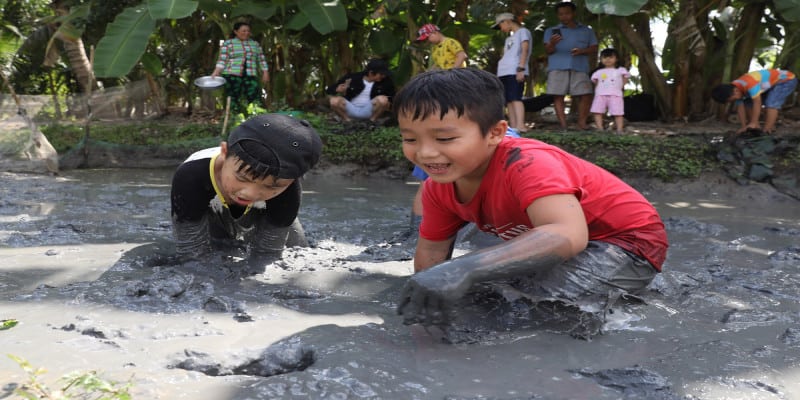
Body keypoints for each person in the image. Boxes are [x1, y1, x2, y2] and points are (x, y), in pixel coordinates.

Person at [393, 68, 668, 335]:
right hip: (557, 242)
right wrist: (423, 299)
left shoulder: (527, 163)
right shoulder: (437, 187)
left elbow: (567, 233)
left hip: (627, 241)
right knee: (475, 299)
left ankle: (627, 296)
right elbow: (431, 254)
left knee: (522, 314)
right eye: (410, 139)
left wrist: (465, 267)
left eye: (445, 138)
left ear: (495, 133)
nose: (426, 152)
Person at [170, 113, 322, 267]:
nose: (250, 193)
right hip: (210, 211)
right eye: (242, 178)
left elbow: (268, 255)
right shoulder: (191, 177)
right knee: (207, 255)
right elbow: (191, 254)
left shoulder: (289, 189)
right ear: (224, 152)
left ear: (293, 180)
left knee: (298, 255)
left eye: (272, 186)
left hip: (266, 211)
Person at [544, 2, 598, 131]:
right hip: (557, 66)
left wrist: (582, 51)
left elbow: (594, 47)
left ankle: (582, 123)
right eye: (561, 14)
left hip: (579, 66)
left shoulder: (587, 31)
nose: (564, 17)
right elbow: (548, 51)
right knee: (558, 95)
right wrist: (552, 43)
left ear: (574, 13)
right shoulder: (550, 31)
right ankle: (563, 125)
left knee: (585, 94)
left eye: (567, 13)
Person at [711, 69, 798, 135]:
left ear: (735, 91)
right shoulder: (735, 88)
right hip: (770, 85)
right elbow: (740, 107)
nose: (734, 101)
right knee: (748, 102)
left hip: (786, 80)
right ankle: (754, 126)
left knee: (771, 103)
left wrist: (754, 121)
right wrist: (743, 126)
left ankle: (767, 129)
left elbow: (757, 102)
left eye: (732, 99)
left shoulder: (749, 83)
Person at [210, 21, 270, 115]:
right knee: (232, 98)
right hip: (232, 75)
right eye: (243, 31)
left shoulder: (255, 44)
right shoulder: (228, 43)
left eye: (248, 31)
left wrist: (265, 72)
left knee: (254, 96)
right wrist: (216, 72)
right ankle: (234, 118)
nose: (246, 33)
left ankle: (256, 118)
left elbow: (261, 59)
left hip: (250, 74)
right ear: (236, 32)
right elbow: (222, 59)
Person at [492, 12, 532, 133]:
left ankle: (520, 124)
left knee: (516, 97)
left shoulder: (523, 32)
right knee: (508, 99)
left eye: (500, 25)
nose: (501, 28)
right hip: (504, 71)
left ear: (507, 21)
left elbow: (524, 49)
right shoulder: (509, 38)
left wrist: (521, 68)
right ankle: (514, 126)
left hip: (515, 69)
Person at [326, 59, 396, 123]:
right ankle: (347, 120)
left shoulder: (386, 82)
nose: (383, 76)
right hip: (350, 108)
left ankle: (372, 121)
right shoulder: (353, 77)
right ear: (371, 73)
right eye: (381, 74)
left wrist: (388, 105)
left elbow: (392, 97)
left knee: (383, 100)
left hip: (370, 110)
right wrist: (337, 89)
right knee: (334, 100)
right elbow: (329, 90)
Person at [590, 48, 629, 134]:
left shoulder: (621, 70)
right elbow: (596, 82)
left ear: (616, 59)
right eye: (605, 57)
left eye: (610, 57)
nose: (607, 59)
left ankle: (619, 130)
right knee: (597, 111)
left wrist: (619, 87)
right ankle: (599, 129)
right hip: (600, 95)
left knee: (618, 112)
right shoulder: (598, 72)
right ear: (601, 59)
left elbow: (625, 79)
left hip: (615, 94)